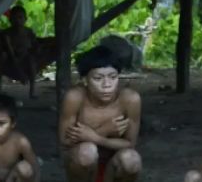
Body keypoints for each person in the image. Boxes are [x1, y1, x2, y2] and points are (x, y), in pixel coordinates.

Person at [59, 46, 142, 182]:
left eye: (113, 77)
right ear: (85, 80)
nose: (107, 85)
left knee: (131, 160)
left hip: (114, 164)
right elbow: (65, 141)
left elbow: (130, 144)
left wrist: (97, 138)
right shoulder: (75, 97)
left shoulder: (130, 99)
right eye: (98, 78)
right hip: (82, 165)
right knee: (87, 152)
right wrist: (106, 129)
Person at [0, 6, 40, 98]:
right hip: (10, 60)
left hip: (25, 59)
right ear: (10, 20)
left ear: (25, 19)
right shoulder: (6, 33)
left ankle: (32, 91)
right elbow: (5, 49)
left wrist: (34, 51)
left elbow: (35, 45)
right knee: (2, 56)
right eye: (14, 18)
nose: (17, 21)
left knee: (32, 61)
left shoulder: (29, 32)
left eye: (20, 17)